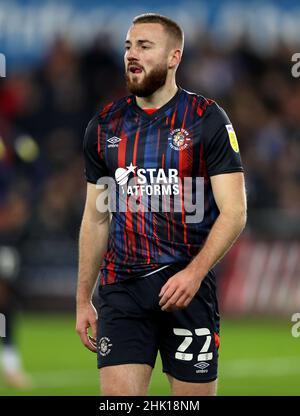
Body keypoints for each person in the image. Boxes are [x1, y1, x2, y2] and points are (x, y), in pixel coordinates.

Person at [76, 13, 247, 396]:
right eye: (128, 46)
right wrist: (83, 298)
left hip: (186, 289)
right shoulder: (104, 126)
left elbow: (235, 211)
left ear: (174, 57)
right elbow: (96, 217)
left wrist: (195, 273)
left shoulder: (207, 119)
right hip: (121, 289)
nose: (132, 54)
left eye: (144, 46)